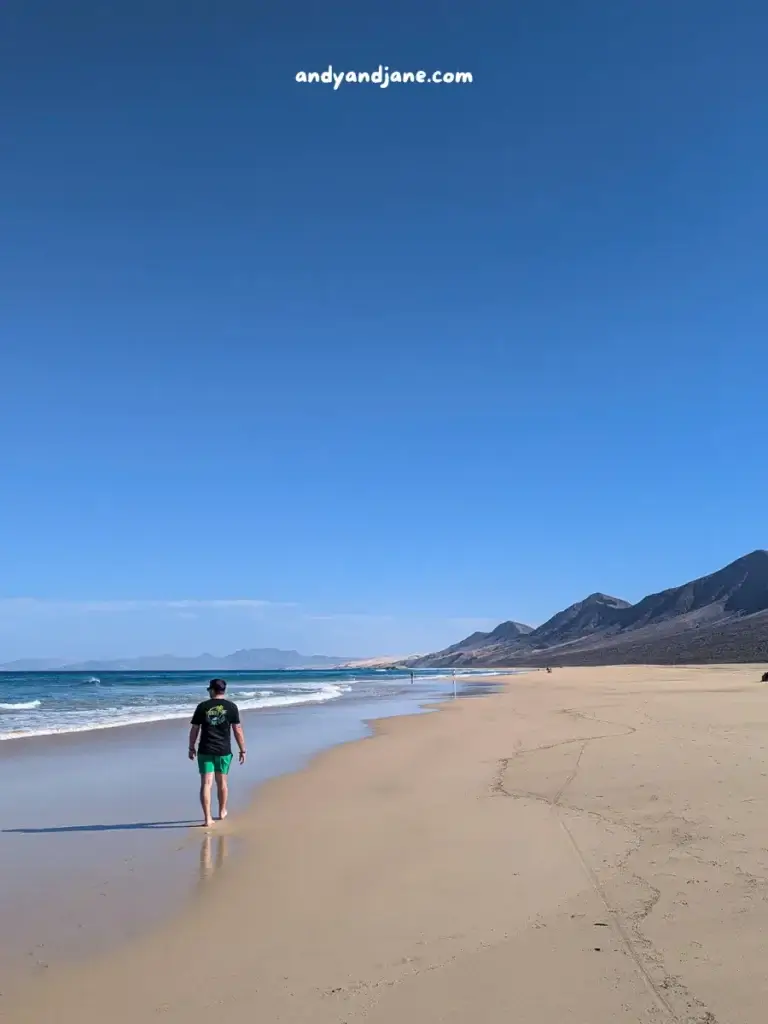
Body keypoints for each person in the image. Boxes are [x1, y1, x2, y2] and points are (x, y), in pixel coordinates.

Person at [188, 678, 246, 827]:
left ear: (213, 690)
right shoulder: (231, 707)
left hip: (205, 749)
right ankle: (222, 811)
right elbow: (237, 730)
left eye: (209, 690)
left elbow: (195, 729)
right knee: (222, 783)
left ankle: (207, 818)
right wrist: (242, 749)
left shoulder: (202, 707)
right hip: (223, 750)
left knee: (206, 783)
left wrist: (191, 747)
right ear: (223, 691)